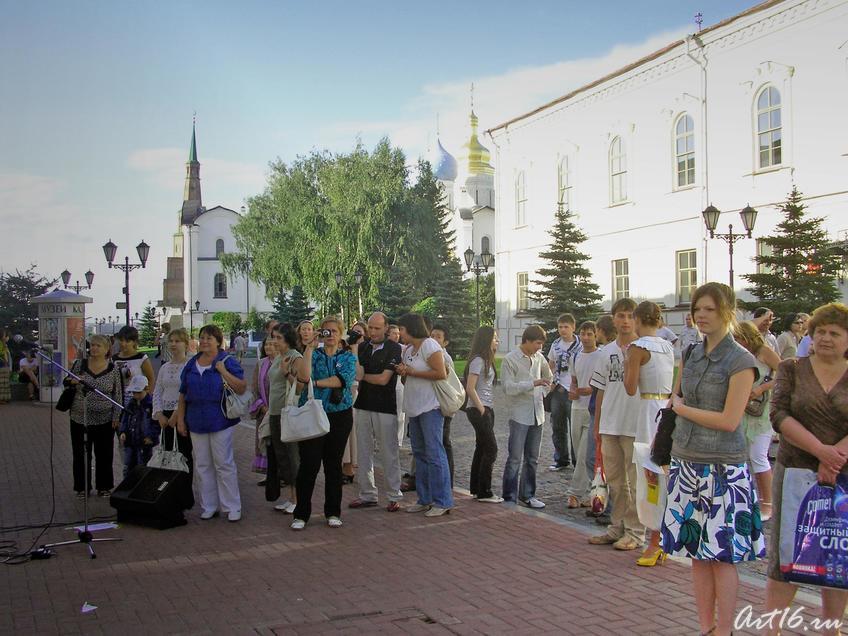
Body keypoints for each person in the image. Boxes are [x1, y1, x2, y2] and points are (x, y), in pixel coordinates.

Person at [662, 283, 763, 636]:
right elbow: (676, 395)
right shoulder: (690, 353)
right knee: (697, 555)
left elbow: (729, 420)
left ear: (727, 311)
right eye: (697, 308)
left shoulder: (741, 361)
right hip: (687, 460)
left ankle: (726, 630)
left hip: (723, 467)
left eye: (709, 308)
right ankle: (706, 627)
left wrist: (683, 409)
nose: (701, 315)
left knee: (723, 556)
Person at [765, 302, 848, 636]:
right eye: (820, 332)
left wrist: (834, 459)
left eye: (835, 333)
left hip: (843, 475)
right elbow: (779, 415)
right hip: (795, 473)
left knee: (838, 556)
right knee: (787, 554)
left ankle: (832, 629)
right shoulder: (791, 368)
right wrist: (820, 451)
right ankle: (772, 629)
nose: (826, 338)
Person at [588, 297, 645, 550]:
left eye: (630, 316)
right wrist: (598, 426)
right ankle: (617, 526)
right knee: (615, 481)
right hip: (610, 423)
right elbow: (600, 391)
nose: (625, 321)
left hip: (634, 424)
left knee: (634, 482)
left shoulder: (644, 349)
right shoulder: (606, 352)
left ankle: (635, 532)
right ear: (613, 319)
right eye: (620, 316)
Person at [290, 317, 357, 530]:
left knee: (333, 465)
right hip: (313, 412)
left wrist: (316, 383)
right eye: (325, 331)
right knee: (308, 464)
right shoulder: (313, 355)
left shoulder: (347, 357)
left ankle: (333, 511)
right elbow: (303, 377)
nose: (329, 336)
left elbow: (341, 380)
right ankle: (301, 514)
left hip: (339, 414)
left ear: (341, 334)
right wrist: (309, 349)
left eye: (334, 331)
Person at [177, 324, 246, 522]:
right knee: (203, 464)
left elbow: (241, 387)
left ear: (218, 341)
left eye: (209, 338)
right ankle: (209, 505)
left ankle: (232, 505)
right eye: (202, 338)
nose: (205, 341)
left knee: (223, 463)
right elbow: (182, 394)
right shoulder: (192, 364)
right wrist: (181, 419)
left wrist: (223, 371)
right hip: (196, 420)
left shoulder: (226, 361)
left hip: (219, 419)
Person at [623, 301, 675, 566]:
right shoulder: (668, 346)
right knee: (662, 473)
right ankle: (662, 537)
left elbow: (630, 387)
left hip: (646, 410)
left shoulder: (638, 348)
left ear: (638, 319)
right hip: (666, 408)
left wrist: (627, 364)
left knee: (649, 477)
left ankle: (654, 541)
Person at [394, 313, 453, 517]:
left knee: (435, 453)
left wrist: (411, 372)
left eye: (402, 329)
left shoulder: (430, 345)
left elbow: (440, 373)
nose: (399, 333)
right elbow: (407, 378)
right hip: (414, 406)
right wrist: (403, 372)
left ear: (411, 329)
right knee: (419, 453)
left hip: (431, 407)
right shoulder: (409, 350)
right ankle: (424, 498)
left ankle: (442, 500)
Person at [349, 312, 404, 511]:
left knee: (389, 452)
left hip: (385, 406)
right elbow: (356, 373)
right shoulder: (361, 347)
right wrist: (355, 350)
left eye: (377, 328)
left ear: (386, 328)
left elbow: (383, 379)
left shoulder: (394, 348)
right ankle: (367, 494)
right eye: (370, 328)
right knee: (364, 452)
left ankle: (393, 495)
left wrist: (364, 377)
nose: (372, 332)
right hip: (363, 404)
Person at [733, 321, 780, 522]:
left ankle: (768, 503)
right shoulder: (738, 354)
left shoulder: (763, 351)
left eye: (739, 338)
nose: (737, 341)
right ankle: (747, 501)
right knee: (743, 456)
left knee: (758, 455)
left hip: (761, 410)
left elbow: (785, 372)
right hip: (742, 408)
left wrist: (761, 388)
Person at [501, 324, 553, 508]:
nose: (540, 347)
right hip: (519, 414)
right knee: (515, 457)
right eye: (537, 343)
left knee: (533, 458)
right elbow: (508, 387)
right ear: (527, 341)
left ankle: (528, 494)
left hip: (537, 413)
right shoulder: (510, 359)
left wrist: (544, 391)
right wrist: (533, 384)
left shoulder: (539, 358)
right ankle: (509, 496)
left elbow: (549, 377)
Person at [65, 334, 123, 497]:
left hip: (104, 419)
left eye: (99, 346)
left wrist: (116, 417)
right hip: (79, 417)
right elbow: (67, 381)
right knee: (80, 454)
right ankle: (82, 487)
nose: (95, 348)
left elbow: (117, 394)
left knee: (104, 454)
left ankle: (104, 486)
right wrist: (74, 381)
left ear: (107, 350)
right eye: (93, 345)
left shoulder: (113, 369)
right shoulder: (80, 365)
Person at [266, 322, 304, 514]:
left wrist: (286, 373)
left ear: (288, 338)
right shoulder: (278, 357)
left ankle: (298, 499)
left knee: (292, 456)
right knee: (282, 457)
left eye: (279, 338)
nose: (275, 341)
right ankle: (291, 497)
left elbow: (301, 387)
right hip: (275, 412)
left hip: (288, 412)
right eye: (274, 337)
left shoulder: (295, 357)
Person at [566, 321, 602, 509]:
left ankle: (575, 493)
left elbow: (601, 384)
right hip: (576, 407)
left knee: (584, 453)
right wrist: (573, 390)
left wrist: (590, 390)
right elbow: (573, 380)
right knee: (577, 449)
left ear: (596, 335)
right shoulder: (576, 356)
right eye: (583, 334)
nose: (586, 338)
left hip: (592, 408)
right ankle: (590, 490)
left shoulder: (601, 355)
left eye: (590, 334)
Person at [465, 326, 502, 503]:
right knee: (491, 449)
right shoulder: (478, 360)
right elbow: (470, 388)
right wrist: (481, 409)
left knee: (481, 447)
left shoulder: (487, 360)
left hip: (486, 408)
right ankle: (485, 491)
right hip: (479, 409)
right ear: (486, 339)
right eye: (494, 338)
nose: (497, 341)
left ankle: (477, 488)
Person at [152, 328, 194, 480]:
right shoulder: (164, 367)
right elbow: (157, 391)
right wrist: (158, 413)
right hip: (165, 415)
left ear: (186, 344)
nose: (173, 344)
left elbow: (189, 391)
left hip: (182, 415)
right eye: (171, 341)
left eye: (177, 341)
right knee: (167, 453)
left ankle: (183, 494)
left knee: (183, 453)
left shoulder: (189, 365)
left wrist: (177, 413)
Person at [547, 313, 582, 470]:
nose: (563, 330)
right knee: (557, 427)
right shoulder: (555, 344)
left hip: (573, 390)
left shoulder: (580, 345)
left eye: (566, 326)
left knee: (575, 428)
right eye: (560, 327)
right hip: (558, 389)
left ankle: (577, 461)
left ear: (573, 327)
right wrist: (550, 381)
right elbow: (551, 364)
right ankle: (561, 458)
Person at [430, 323, 455, 485]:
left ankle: (447, 481)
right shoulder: (432, 354)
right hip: (433, 405)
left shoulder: (444, 358)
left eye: (438, 337)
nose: (433, 339)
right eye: (432, 336)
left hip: (442, 406)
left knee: (443, 443)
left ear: (445, 342)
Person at [119, 375, 157, 477]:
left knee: (143, 465)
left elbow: (155, 424)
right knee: (128, 465)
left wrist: (151, 437)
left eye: (138, 392)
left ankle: (141, 488)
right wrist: (123, 431)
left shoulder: (151, 405)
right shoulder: (131, 404)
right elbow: (125, 419)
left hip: (144, 441)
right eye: (134, 392)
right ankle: (127, 488)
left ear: (146, 389)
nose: (136, 395)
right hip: (130, 440)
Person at [250, 337, 277, 480]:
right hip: (264, 410)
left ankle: (280, 474)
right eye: (267, 344)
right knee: (265, 441)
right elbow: (254, 388)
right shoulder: (261, 364)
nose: (269, 346)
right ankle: (268, 475)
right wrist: (261, 406)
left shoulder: (283, 362)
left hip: (279, 411)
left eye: (272, 344)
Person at [113, 326, 155, 404]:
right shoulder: (114, 359)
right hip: (118, 400)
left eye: (127, 341)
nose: (123, 344)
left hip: (137, 400)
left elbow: (151, 379)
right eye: (121, 340)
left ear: (134, 342)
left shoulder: (142, 358)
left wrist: (148, 396)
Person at [0, 329, 11, 404]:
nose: (6, 337)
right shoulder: (1, 343)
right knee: (1, 383)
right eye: (4, 335)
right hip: (1, 364)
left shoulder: (3, 344)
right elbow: (1, 353)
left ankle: (4, 398)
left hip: (5, 365)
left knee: (4, 383)